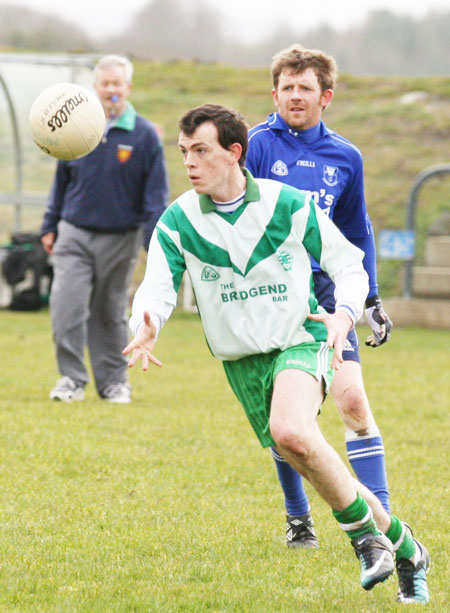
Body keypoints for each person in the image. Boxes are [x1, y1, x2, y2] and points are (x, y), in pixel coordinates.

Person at [123, 104, 429, 604]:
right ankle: (406, 546)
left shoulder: (285, 204)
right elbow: (155, 289)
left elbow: (348, 264)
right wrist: (147, 325)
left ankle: (365, 543)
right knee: (312, 458)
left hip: (301, 340)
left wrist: (344, 314)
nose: (190, 163)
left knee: (291, 431)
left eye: (201, 150)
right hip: (243, 365)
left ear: (234, 152)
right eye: (184, 153)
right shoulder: (178, 221)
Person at [246, 44, 394, 550]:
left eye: (304, 88)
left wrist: (370, 296)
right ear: (275, 93)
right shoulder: (256, 146)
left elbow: (358, 230)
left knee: (353, 400)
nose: (294, 96)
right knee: (286, 420)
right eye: (286, 87)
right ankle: (298, 517)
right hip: (273, 294)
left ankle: (384, 522)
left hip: (330, 293)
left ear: (325, 96)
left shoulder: (346, 156)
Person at [41, 54, 168, 403]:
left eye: (117, 84)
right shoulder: (73, 128)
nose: (111, 90)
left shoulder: (144, 135)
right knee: (66, 307)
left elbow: (155, 195)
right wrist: (49, 225)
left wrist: (154, 240)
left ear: (127, 88)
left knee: (110, 312)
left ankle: (113, 382)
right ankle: (70, 379)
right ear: (96, 88)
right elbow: (61, 182)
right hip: (73, 233)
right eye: (105, 84)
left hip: (120, 237)